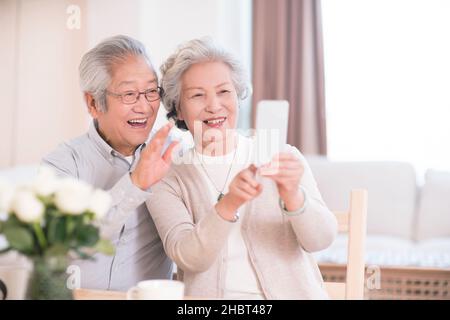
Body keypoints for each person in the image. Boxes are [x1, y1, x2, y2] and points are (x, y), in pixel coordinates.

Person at [146, 38, 338, 299]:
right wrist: (230, 202)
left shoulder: (282, 155)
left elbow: (321, 239)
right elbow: (189, 257)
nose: (214, 105)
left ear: (238, 96)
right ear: (178, 108)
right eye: (198, 95)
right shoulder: (167, 178)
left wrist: (293, 196)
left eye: (224, 91)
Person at [42, 35, 178, 291]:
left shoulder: (173, 154)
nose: (145, 107)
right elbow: (67, 246)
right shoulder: (61, 164)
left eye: (151, 91)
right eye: (129, 94)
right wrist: (134, 184)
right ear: (93, 103)